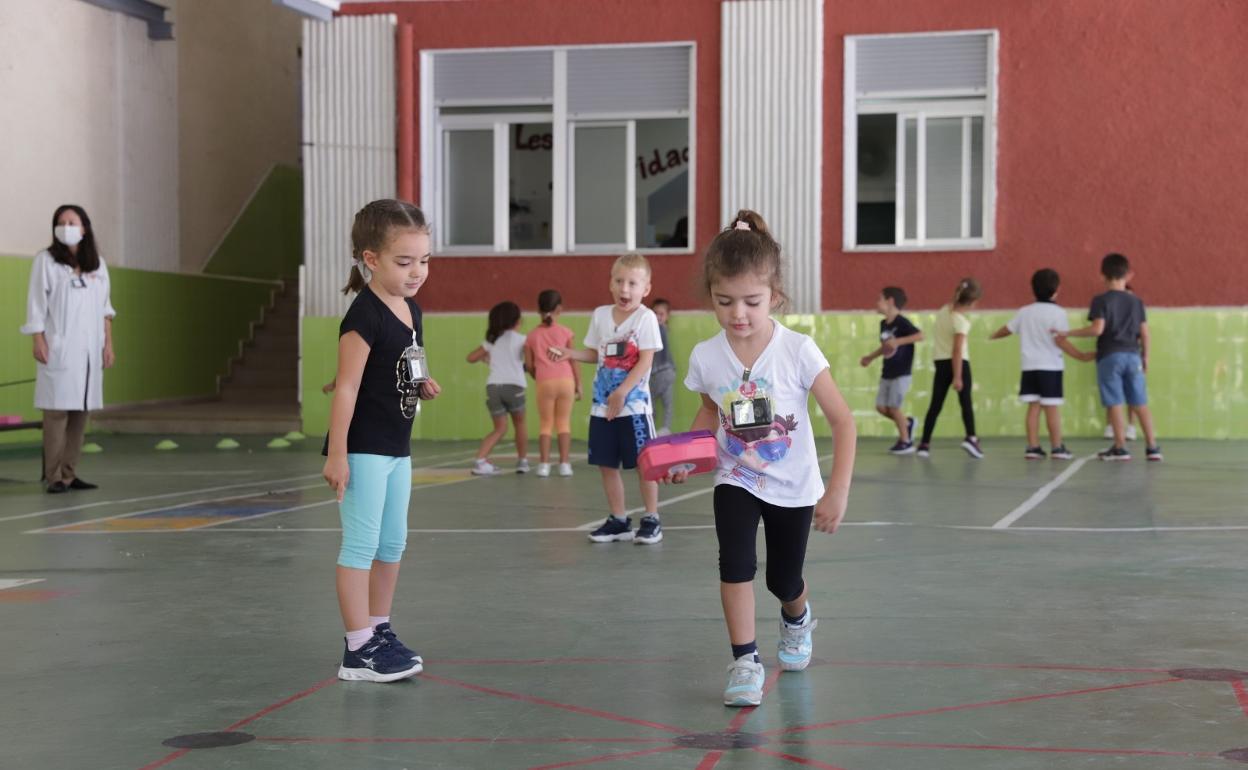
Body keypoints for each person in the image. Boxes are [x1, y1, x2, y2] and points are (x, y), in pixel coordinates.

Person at [666, 210, 856, 706]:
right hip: (737, 475)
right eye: (724, 301)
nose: (738, 313)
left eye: (752, 301)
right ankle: (745, 660)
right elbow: (708, 412)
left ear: (775, 296)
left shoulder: (798, 351)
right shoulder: (707, 356)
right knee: (735, 563)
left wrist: (836, 490)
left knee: (782, 578)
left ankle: (797, 617)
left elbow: (843, 421)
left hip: (793, 483)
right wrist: (687, 454)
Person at [321, 199, 440, 683]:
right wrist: (337, 454)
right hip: (365, 447)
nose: (417, 272)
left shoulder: (409, 308)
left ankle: (379, 628)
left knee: (393, 542)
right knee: (361, 545)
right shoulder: (363, 315)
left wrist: (422, 381)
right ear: (371, 259)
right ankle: (357, 650)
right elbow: (346, 386)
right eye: (404, 262)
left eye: (425, 261)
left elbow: (409, 359)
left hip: (397, 447)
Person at [547, 254, 664, 545]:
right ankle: (619, 520)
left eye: (633, 283)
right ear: (610, 283)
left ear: (645, 289)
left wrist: (623, 390)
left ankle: (651, 519)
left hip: (633, 406)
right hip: (602, 406)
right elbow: (595, 353)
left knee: (644, 462)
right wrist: (569, 353)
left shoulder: (646, 318)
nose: (625, 289)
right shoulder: (600, 315)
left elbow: (646, 359)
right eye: (619, 281)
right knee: (606, 464)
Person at [21, 204, 116, 494]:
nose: (66, 226)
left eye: (71, 221)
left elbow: (105, 309)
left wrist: (107, 344)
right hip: (59, 347)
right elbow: (36, 304)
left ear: (84, 227)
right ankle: (54, 477)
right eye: (60, 222)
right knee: (56, 413)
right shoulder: (46, 261)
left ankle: (70, 472)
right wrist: (38, 338)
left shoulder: (97, 264)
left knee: (80, 413)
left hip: (89, 350)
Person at [1059, 253, 1161, 461]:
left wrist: (1069, 333)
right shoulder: (1136, 302)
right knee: (1139, 402)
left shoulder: (1100, 300)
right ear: (1128, 275)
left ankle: (1120, 446)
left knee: (1115, 402)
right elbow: (1145, 333)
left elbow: (1097, 329)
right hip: (1133, 356)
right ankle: (1153, 448)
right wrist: (1146, 357)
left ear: (1102, 276)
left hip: (1109, 356)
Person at [988, 269, 1094, 459]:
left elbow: (1008, 329)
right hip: (1050, 367)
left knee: (1033, 406)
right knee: (1051, 407)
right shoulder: (1059, 313)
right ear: (1057, 290)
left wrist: (993, 335)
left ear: (1033, 289)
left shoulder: (1024, 312)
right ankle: (1057, 447)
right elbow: (1060, 340)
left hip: (1029, 367)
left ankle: (1033, 447)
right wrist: (1080, 355)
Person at [917, 278, 984, 459]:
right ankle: (971, 437)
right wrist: (958, 376)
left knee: (935, 405)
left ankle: (924, 443)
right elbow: (957, 350)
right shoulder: (961, 322)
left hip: (940, 362)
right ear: (973, 303)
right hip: (958, 363)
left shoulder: (943, 312)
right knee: (966, 403)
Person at [467, 302, 530, 475]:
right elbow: (530, 364)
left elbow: (471, 357)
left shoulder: (491, 341)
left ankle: (480, 460)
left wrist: (486, 358)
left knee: (500, 428)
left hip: (493, 387)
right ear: (517, 320)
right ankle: (522, 462)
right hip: (514, 386)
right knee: (520, 424)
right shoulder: (522, 339)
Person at [523, 289, 580, 477]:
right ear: (559, 309)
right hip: (566, 381)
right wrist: (578, 384)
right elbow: (573, 359)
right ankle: (565, 464)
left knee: (545, 424)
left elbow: (530, 365)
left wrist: (537, 376)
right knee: (563, 423)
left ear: (538, 310)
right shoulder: (566, 332)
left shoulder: (531, 336)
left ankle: (544, 465)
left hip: (544, 381)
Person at [859, 286, 923, 454]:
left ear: (890, 301)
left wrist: (899, 341)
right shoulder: (883, 324)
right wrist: (870, 357)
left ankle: (906, 442)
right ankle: (907, 423)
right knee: (881, 407)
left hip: (901, 372)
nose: (876, 303)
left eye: (879, 299)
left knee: (894, 408)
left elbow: (919, 336)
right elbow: (885, 347)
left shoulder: (901, 322)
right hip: (887, 372)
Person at [648, 298, 677, 435]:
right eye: (655, 313)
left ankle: (662, 428)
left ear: (667, 316)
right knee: (658, 403)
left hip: (663, 371)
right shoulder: (659, 328)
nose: (658, 317)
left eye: (661, 314)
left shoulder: (660, 328)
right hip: (663, 372)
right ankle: (661, 428)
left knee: (664, 403)